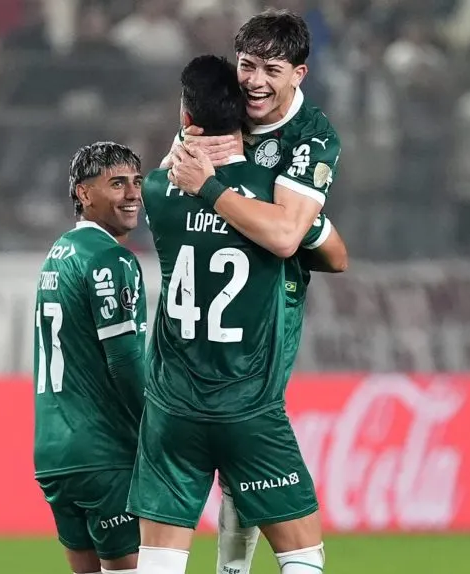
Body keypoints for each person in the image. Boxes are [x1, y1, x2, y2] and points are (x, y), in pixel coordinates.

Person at [129, 54, 326, 574]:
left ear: (186, 118)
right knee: (303, 554)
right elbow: (330, 252)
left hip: (173, 407)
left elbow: (175, 163)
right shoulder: (270, 199)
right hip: (248, 404)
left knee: (157, 561)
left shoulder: (157, 191)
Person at [166, 10, 346, 574]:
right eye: (247, 65)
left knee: (240, 469)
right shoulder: (221, 112)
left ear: (300, 74)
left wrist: (213, 187)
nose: (255, 81)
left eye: (272, 69)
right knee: (243, 461)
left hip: (264, 324)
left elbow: (293, 237)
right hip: (214, 342)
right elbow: (312, 242)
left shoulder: (310, 136)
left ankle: (231, 568)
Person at [33, 142, 147, 574]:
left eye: (136, 182)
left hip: (54, 453)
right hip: (104, 450)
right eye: (117, 183)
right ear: (83, 194)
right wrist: (157, 429)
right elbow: (124, 361)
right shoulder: (110, 259)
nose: (133, 193)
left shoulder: (58, 254)